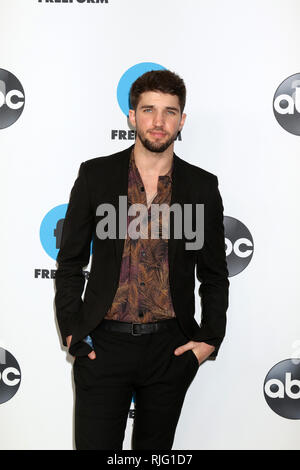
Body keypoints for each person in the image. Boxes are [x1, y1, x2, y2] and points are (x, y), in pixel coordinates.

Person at [54, 69, 229, 450]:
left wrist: (208, 340)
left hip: (170, 350)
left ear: (181, 121)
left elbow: (214, 275)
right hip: (103, 346)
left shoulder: (202, 186)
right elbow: (69, 263)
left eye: (170, 111)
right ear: (132, 116)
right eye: (148, 109)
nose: (158, 121)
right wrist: (72, 329)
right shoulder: (96, 176)